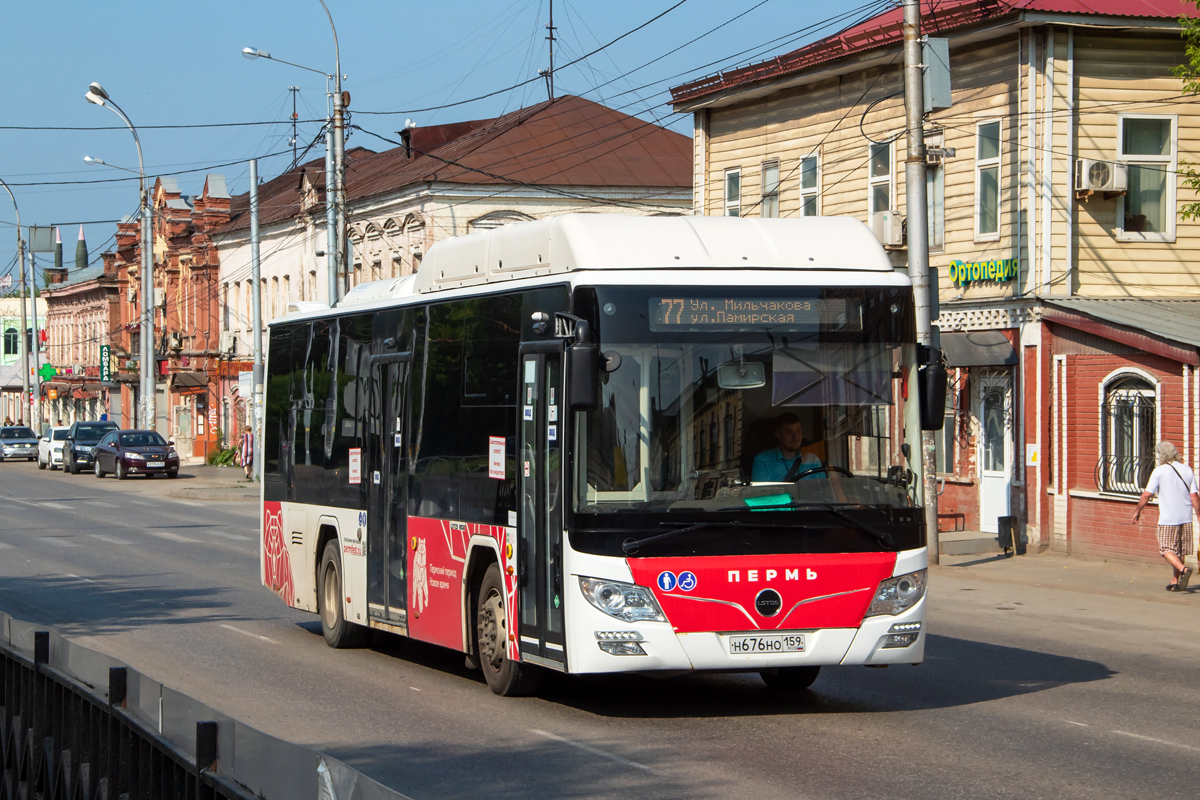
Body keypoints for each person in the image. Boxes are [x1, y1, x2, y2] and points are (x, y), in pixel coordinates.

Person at [1132, 440, 1199, 592]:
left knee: (1165, 549)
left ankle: (1183, 569)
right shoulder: (1187, 469)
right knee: (1179, 550)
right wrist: (1198, 515)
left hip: (1168, 519)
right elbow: (1194, 496)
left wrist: (1137, 510)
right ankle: (1175, 582)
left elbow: (1147, 494)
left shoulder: (1159, 471)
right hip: (1186, 518)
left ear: (1161, 455)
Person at [751, 412, 822, 482]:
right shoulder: (763, 461)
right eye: (789, 432)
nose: (796, 437)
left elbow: (821, 490)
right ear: (778, 434)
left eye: (798, 431)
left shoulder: (812, 461)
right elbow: (761, 492)